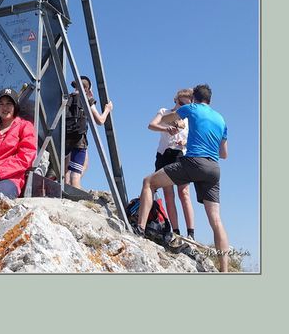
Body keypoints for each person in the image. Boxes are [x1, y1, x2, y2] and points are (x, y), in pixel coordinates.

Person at [135, 84, 230, 272]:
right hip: (214, 168)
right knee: (216, 220)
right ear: (210, 100)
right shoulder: (221, 119)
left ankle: (139, 230)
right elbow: (224, 154)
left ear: (194, 98)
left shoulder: (191, 108)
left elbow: (165, 118)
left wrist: (172, 118)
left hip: (193, 162)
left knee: (149, 182)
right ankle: (224, 271)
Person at [148, 88, 195, 239]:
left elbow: (194, 139)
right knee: (169, 195)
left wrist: (185, 142)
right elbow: (151, 125)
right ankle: (175, 231)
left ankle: (190, 233)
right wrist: (166, 128)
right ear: (175, 100)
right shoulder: (164, 112)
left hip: (180, 155)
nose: (182, 107)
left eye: (186, 105)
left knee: (184, 193)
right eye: (180, 103)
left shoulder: (190, 119)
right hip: (164, 154)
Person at [64, 75, 113, 189]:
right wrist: (107, 109)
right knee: (75, 174)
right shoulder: (87, 100)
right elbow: (100, 120)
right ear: (86, 89)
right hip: (79, 139)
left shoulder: (67, 98)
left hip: (64, 138)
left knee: (67, 171)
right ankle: (74, 195)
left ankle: (65, 192)